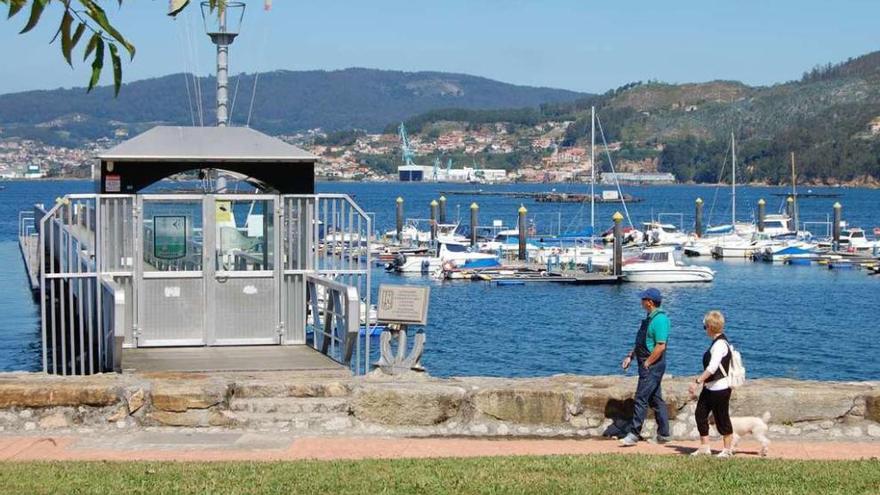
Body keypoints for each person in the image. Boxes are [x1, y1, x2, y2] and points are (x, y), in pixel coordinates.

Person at [619, 288, 671, 446]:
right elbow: (641, 342)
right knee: (656, 399)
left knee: (641, 398)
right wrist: (630, 356)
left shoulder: (660, 320)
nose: (640, 302)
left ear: (650, 302)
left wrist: (648, 363)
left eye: (643, 299)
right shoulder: (649, 318)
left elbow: (660, 346)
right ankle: (664, 434)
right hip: (645, 363)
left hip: (652, 365)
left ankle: (634, 434)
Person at [689, 310, 734, 457]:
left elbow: (712, 367)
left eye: (705, 326)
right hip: (710, 388)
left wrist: (697, 381)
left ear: (709, 327)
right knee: (700, 414)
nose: (704, 330)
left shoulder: (720, 345)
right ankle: (704, 447)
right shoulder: (717, 342)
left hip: (720, 388)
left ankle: (727, 450)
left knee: (722, 418)